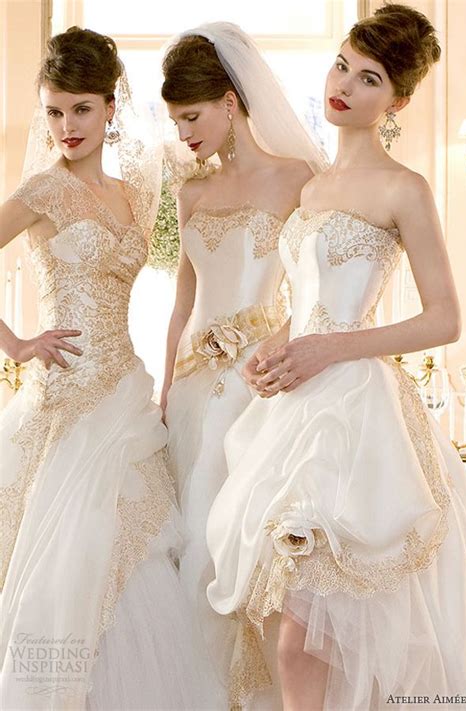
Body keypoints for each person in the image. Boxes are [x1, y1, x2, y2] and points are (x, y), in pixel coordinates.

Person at [207, 5, 466, 710]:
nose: (345, 86)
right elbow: (309, 302)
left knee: (307, 632)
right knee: (280, 619)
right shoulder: (313, 186)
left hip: (355, 417)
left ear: (399, 101)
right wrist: (278, 344)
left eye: (370, 78)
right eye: (342, 65)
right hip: (294, 408)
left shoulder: (404, 188)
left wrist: (332, 347)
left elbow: (445, 318)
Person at [0, 27, 222, 710]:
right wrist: (16, 344)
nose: (67, 126)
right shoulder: (42, 190)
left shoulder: (137, 196)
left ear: (110, 105)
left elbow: (189, 276)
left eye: (82, 109)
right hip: (66, 404)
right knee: (66, 565)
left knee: (141, 553)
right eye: (54, 112)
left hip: (126, 394)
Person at [159, 21, 328, 703]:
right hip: (194, 389)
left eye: (192, 117)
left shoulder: (300, 180)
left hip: (258, 384)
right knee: (188, 531)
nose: (184, 134)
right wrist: (166, 386)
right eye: (175, 121)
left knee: (229, 533)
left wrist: (275, 342)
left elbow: (315, 291)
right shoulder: (190, 191)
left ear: (231, 101)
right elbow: (181, 300)